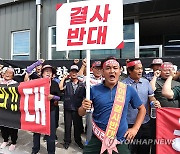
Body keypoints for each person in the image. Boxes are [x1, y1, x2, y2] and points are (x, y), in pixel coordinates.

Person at [78, 57, 146, 154]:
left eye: (115, 68)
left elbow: (142, 109)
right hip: (97, 138)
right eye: (108, 68)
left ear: (120, 71)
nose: (112, 71)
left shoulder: (128, 90)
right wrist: (83, 107)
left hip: (119, 140)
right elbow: (80, 113)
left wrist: (135, 129)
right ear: (102, 71)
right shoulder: (93, 90)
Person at [123, 59, 161, 154]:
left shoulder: (146, 82)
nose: (140, 71)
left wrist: (155, 102)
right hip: (129, 124)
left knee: (144, 150)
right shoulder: (123, 85)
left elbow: (151, 98)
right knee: (130, 150)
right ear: (130, 71)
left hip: (145, 123)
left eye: (141, 68)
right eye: (137, 69)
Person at [31, 65, 61, 154]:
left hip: (51, 110)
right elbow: (28, 70)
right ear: (42, 74)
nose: (48, 73)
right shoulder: (37, 82)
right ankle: (35, 149)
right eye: (46, 71)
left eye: (50, 71)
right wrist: (38, 62)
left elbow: (60, 97)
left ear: (52, 75)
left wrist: (53, 97)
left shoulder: (55, 84)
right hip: (39, 110)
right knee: (37, 131)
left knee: (51, 133)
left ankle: (51, 152)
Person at [59, 65, 86, 150]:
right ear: (70, 73)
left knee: (77, 126)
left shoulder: (82, 84)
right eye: (72, 72)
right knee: (67, 126)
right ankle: (67, 141)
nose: (74, 73)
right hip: (68, 108)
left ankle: (78, 141)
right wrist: (64, 78)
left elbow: (85, 96)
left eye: (75, 72)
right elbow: (60, 88)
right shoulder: (67, 83)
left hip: (77, 108)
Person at [78, 59, 104, 145]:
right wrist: (84, 65)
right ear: (92, 69)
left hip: (102, 109)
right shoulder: (88, 78)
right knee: (90, 130)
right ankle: (89, 146)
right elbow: (79, 77)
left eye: (100, 68)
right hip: (90, 109)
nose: (98, 70)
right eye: (96, 68)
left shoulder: (105, 79)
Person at [0, 67, 18, 151]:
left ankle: (13, 142)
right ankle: (5, 140)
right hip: (2, 109)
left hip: (12, 109)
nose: (7, 74)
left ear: (13, 75)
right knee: (3, 125)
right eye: (6, 72)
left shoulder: (16, 83)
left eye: (10, 73)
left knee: (13, 127)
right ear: (2, 74)